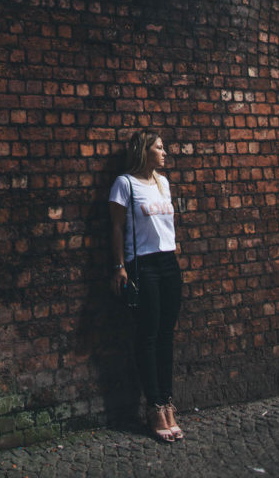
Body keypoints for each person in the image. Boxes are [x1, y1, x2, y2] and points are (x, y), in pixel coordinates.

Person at [109, 130, 183, 443]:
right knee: (149, 335)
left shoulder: (163, 182)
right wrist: (119, 266)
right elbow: (116, 226)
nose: (164, 152)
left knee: (166, 335)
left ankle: (168, 402)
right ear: (144, 151)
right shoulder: (125, 183)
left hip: (169, 263)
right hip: (144, 266)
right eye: (159, 147)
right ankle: (154, 407)